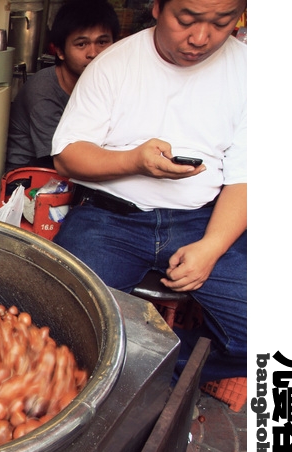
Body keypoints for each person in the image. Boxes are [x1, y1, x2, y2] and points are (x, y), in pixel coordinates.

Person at [50, 0, 247, 384]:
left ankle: (144, 370)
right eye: (186, 20)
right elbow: (67, 157)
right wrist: (134, 162)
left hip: (204, 220)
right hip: (108, 220)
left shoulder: (251, 70)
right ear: (157, 7)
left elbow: (248, 176)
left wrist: (212, 247)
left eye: (221, 23)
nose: (201, 38)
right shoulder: (114, 64)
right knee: (64, 325)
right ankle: (127, 368)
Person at [3, 0, 120, 175]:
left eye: (102, 42)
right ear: (60, 51)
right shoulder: (43, 91)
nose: (93, 53)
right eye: (81, 44)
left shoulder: (111, 83)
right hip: (31, 178)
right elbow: (67, 160)